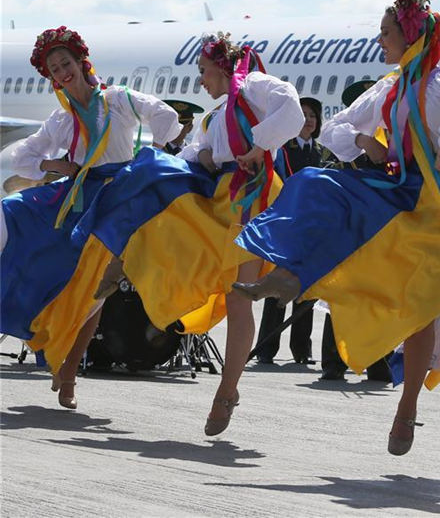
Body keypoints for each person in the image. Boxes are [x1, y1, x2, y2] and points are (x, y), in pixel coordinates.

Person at [233, 0, 440, 455]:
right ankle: (292, 275)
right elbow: (338, 126)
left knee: (423, 307)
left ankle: (407, 407)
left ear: (409, 34)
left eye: (385, 33)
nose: (379, 41)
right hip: (397, 191)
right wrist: (363, 142)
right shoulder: (389, 88)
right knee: (316, 182)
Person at [76, 32, 304, 433]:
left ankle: (227, 391)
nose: (200, 81)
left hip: (248, 198)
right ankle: (125, 259)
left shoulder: (252, 87)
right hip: (215, 202)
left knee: (239, 299)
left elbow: (292, 109)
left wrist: (257, 146)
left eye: (203, 71)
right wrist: (200, 154)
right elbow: (190, 156)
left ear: (221, 66)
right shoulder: (213, 117)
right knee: (156, 182)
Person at [0, 26, 185, 409]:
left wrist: (157, 158)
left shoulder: (118, 99)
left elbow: (164, 114)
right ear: (50, 78)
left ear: (81, 62)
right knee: (19, 220)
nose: (62, 72)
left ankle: (68, 372)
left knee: (97, 292)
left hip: (121, 199)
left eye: (65, 63)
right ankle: (61, 361)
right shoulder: (61, 120)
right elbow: (21, 156)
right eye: (54, 69)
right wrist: (57, 164)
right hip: (81, 197)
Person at [317, 80, 392, 383]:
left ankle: (377, 361)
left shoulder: (389, 142)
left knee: (378, 297)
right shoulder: (345, 145)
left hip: (381, 228)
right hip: (350, 230)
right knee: (341, 297)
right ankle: (334, 362)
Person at [251, 97, 324, 365]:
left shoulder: (321, 152)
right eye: (303, 114)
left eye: (313, 115)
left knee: (307, 289)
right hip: (287, 224)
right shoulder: (283, 150)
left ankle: (301, 349)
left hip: (313, 227)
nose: (309, 119)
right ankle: (267, 348)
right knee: (277, 286)